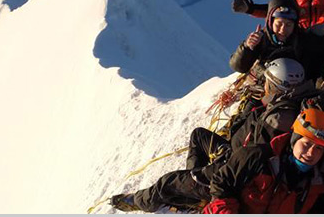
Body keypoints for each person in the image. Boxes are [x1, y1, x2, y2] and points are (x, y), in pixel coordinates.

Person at [108, 58, 309, 213]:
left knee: (166, 183)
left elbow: (245, 165)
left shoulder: (275, 122)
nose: (264, 84)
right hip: (232, 154)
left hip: (228, 171)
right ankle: (193, 188)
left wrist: (212, 173)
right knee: (199, 136)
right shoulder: (281, 109)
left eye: (268, 82)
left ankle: (138, 201)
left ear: (275, 86)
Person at [202, 108, 324, 214]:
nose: (311, 153)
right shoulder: (256, 157)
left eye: (318, 148)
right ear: (294, 139)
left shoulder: (315, 189)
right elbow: (221, 186)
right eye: (306, 144)